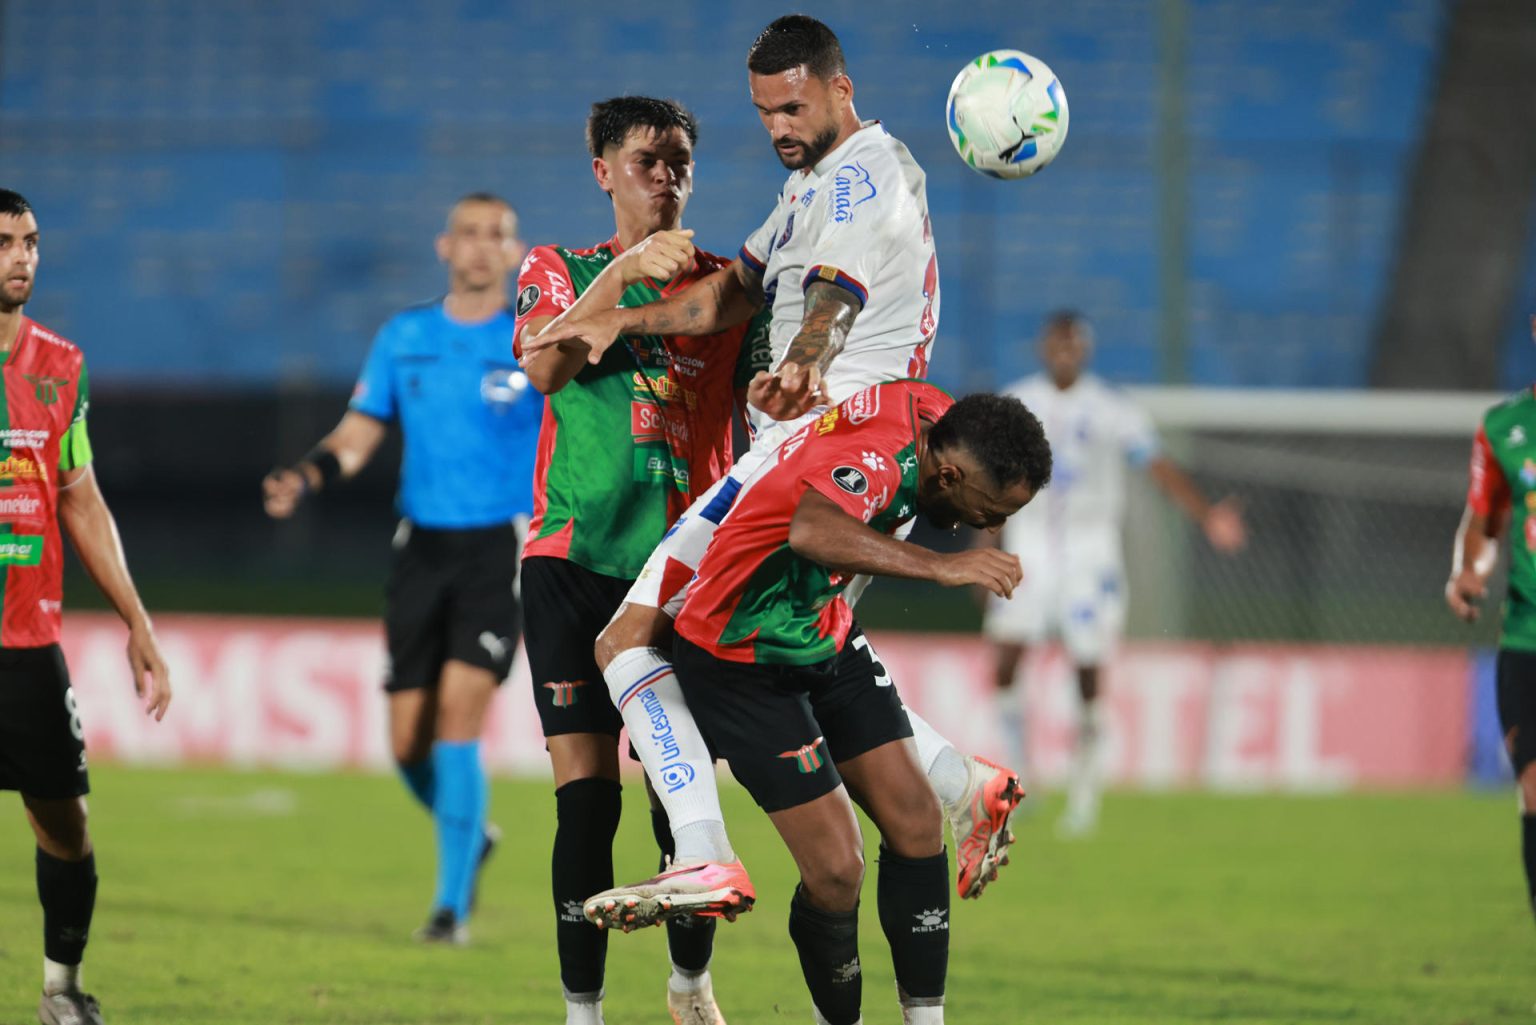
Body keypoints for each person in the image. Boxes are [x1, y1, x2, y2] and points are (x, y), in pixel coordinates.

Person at [522, 15, 1023, 921]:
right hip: (814, 452)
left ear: (841, 88)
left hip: (831, 454)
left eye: (794, 105)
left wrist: (807, 355)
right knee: (793, 652)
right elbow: (737, 290)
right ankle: (960, 780)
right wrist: (621, 319)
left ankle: (708, 856)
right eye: (764, 113)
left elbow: (836, 288)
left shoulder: (866, 175)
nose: (780, 127)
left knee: (630, 642)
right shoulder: (807, 189)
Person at [669, 380, 1051, 1025]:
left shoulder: (935, 416)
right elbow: (812, 531)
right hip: (740, 654)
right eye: (989, 510)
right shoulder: (878, 460)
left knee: (917, 822)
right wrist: (941, 566)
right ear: (950, 474)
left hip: (822, 630)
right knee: (838, 870)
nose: (993, 527)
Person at [513, 96, 770, 1025]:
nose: (665, 178)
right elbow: (544, 369)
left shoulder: (728, 291)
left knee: (679, 794)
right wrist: (623, 270)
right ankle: (583, 1012)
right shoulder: (560, 268)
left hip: (677, 575)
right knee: (586, 806)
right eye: (645, 161)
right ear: (603, 171)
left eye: (679, 163)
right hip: (573, 565)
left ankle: (690, 985)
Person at [262, 193, 540, 944]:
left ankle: (449, 909)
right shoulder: (405, 335)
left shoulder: (535, 342)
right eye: (469, 234)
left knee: (458, 719)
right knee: (405, 743)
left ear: (517, 253)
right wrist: (309, 474)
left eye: (497, 235)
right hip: (421, 545)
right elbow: (359, 431)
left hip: (499, 545)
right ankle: (472, 832)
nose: (482, 247)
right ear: (444, 246)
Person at [0, 188, 173, 1025]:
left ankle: (61, 990)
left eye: (29, 241)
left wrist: (137, 623)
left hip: (28, 638)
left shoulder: (60, 363)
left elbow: (80, 496)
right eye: (4, 243)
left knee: (65, 824)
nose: (22, 257)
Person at [982, 310, 1247, 836]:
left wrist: (1207, 514)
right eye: (1056, 344)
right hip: (1028, 548)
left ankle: (1084, 795)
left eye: (1073, 345)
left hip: (1090, 554)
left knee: (1088, 665)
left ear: (1084, 350)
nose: (1064, 353)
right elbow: (983, 482)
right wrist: (981, 546)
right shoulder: (1013, 404)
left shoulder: (1110, 408)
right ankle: (1025, 776)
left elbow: (1158, 465)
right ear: (1043, 348)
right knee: (1006, 662)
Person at [1447, 313, 1536, 927]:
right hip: (1527, 638)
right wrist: (1469, 569)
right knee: (1535, 794)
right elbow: (1486, 520)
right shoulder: (1505, 427)